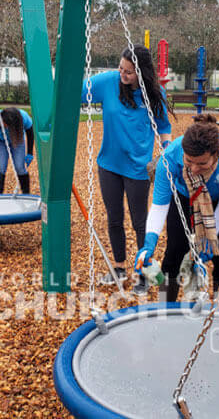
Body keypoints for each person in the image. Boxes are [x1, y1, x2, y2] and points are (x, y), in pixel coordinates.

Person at [82, 44, 173, 295]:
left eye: (129, 72)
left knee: (140, 222)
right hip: (108, 164)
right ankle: (119, 267)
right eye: (121, 69)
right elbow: (72, 93)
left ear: (141, 74)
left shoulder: (154, 94)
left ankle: (143, 272)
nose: (123, 74)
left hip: (138, 167)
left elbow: (164, 126)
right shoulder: (109, 82)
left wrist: (165, 149)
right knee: (114, 218)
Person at [135, 114, 219, 303]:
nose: (194, 169)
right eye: (188, 162)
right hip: (184, 197)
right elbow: (160, 205)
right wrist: (149, 242)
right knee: (174, 253)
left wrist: (210, 238)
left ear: (216, 155)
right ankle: (165, 307)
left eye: (202, 163)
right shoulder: (169, 159)